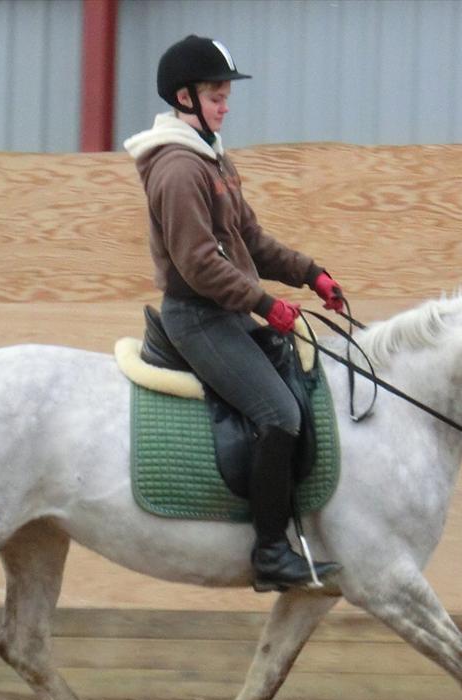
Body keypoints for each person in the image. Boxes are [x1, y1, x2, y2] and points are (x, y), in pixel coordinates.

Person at [123, 35, 346, 592]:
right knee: (278, 413)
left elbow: (250, 240)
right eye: (217, 96)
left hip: (226, 312)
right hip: (199, 316)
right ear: (185, 97)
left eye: (225, 96)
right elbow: (199, 265)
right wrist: (267, 305)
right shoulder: (177, 170)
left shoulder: (214, 159)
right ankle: (269, 552)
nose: (226, 106)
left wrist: (310, 273)